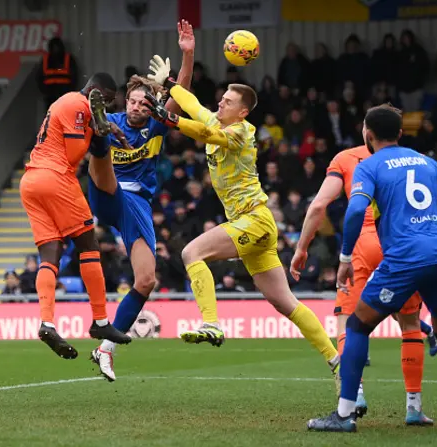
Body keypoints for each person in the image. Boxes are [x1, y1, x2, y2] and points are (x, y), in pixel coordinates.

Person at [306, 104, 437, 434]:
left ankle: (343, 415)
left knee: (356, 327)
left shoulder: (369, 166)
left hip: (404, 258)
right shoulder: (426, 161)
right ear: (400, 133)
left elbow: (356, 212)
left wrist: (343, 259)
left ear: (367, 135)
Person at [143, 56, 340, 376]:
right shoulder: (218, 121)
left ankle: (211, 324)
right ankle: (335, 359)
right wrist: (170, 86)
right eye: (221, 99)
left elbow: (209, 135)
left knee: (192, 252)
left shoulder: (242, 132)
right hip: (253, 225)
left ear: (243, 111)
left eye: (228, 101)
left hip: (254, 220)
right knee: (285, 303)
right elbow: (194, 106)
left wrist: (168, 118)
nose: (221, 103)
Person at [289, 144, 437, 424]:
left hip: (362, 242)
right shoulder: (414, 158)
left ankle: (354, 394)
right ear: (399, 133)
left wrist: (301, 248)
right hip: (399, 241)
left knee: (348, 321)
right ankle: (414, 408)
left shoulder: (345, 158)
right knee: (410, 324)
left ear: (368, 132)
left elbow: (319, 204)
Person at [88, 20, 195, 382]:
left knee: (146, 280)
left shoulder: (156, 125)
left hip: (137, 206)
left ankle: (105, 350)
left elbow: (181, 97)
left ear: (152, 108)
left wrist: (188, 53)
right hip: (106, 192)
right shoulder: (117, 117)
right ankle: (99, 138)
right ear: (125, 101)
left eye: (142, 104)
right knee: (102, 161)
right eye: (132, 101)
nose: (135, 107)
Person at [19, 73, 132, 359]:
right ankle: (101, 321)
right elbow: (73, 153)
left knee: (51, 254)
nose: (104, 107)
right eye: (105, 100)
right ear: (95, 92)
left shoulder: (68, 103)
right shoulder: (78, 104)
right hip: (56, 177)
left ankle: (47, 323)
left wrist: (103, 130)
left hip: (32, 180)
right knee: (88, 246)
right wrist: (97, 132)